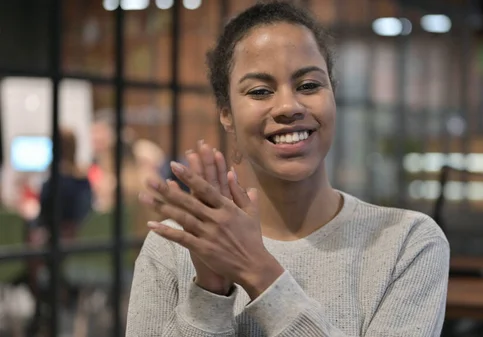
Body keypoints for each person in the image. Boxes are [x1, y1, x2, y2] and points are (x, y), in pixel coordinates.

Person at [126, 2, 449, 336]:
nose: (288, 107)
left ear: (333, 94)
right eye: (260, 91)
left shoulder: (407, 243)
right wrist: (210, 291)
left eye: (308, 85)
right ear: (226, 113)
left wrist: (257, 270)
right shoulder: (174, 246)